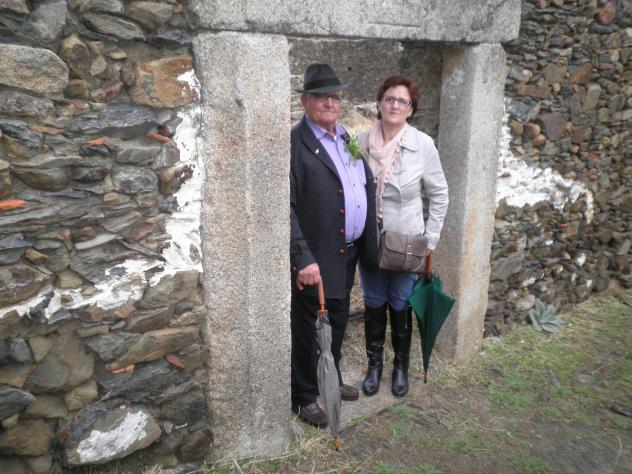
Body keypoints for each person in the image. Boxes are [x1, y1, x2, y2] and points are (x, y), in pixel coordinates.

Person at [290, 64, 378, 427]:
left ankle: (332, 376)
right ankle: (303, 396)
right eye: (321, 96)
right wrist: (302, 258)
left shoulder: (345, 137)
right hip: (316, 254)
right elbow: (285, 206)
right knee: (310, 326)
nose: (329, 102)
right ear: (304, 101)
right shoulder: (296, 144)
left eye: (335, 97)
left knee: (338, 318)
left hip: (348, 249)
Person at [359, 75, 448, 397]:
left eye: (402, 101)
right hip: (369, 239)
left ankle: (400, 367)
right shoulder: (360, 142)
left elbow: (439, 195)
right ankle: (374, 366)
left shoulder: (422, 144)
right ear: (379, 103)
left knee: (399, 302)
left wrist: (430, 241)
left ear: (411, 109)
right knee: (373, 301)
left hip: (406, 243)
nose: (395, 105)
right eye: (389, 99)